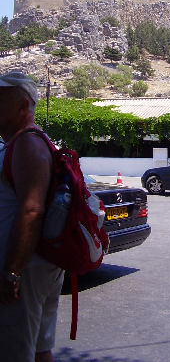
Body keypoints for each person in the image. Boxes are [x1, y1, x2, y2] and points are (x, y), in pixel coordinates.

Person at [0, 72, 64, 362]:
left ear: (23, 107)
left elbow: (31, 209)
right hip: (37, 264)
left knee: (16, 351)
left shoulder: (26, 143)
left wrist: (12, 271)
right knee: (39, 349)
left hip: (25, 268)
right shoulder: (27, 141)